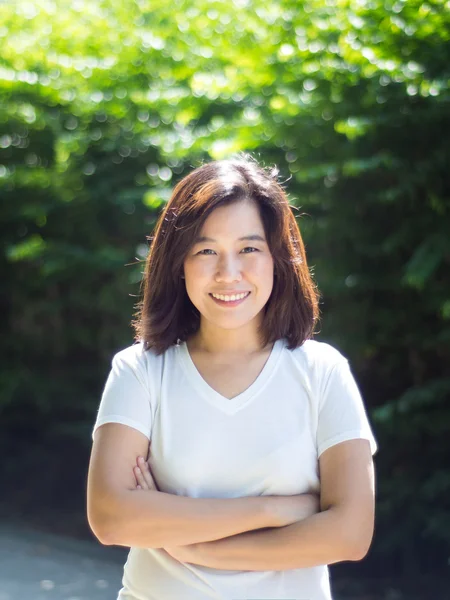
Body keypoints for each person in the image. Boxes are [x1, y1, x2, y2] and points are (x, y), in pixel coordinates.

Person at [87, 153, 378, 600]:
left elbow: (350, 534)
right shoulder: (140, 370)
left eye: (249, 249)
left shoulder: (322, 372)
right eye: (206, 251)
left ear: (279, 259)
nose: (228, 273)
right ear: (177, 262)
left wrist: (199, 548)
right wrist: (275, 510)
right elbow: (110, 518)